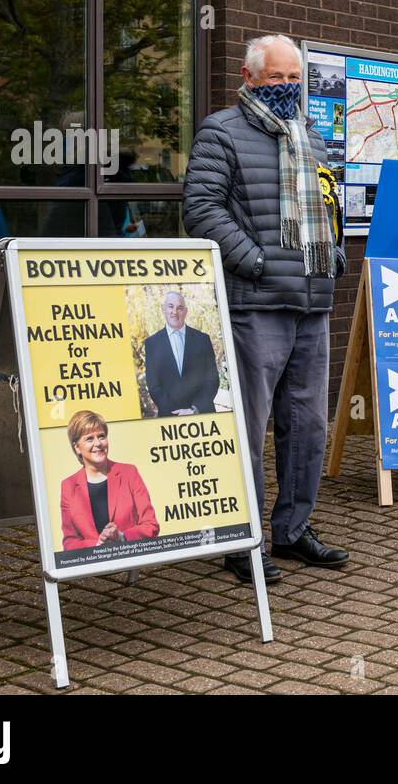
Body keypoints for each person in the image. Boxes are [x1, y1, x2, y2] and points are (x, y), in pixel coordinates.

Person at [183, 34, 349, 585]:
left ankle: (294, 530)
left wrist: (336, 249)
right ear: (249, 77)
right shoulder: (220, 131)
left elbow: (326, 207)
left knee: (306, 427)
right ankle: (242, 538)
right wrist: (254, 262)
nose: (287, 87)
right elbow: (201, 210)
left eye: (294, 77)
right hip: (256, 302)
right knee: (248, 428)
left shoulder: (313, 138)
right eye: (276, 77)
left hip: (312, 301)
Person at [60, 410, 158, 550]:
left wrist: (122, 536)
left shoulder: (129, 473)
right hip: (93, 566)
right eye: (89, 438)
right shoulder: (68, 486)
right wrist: (98, 544)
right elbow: (70, 543)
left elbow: (151, 526)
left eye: (101, 436)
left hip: (130, 554)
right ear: (77, 447)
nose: (98, 443)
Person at [142, 290, 220, 416]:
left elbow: (212, 379)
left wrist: (194, 409)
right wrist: (176, 413)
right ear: (163, 309)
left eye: (180, 308)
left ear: (185, 311)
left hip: (202, 414)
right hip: (170, 418)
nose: (175, 312)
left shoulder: (202, 340)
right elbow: (154, 385)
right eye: (170, 306)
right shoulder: (152, 343)